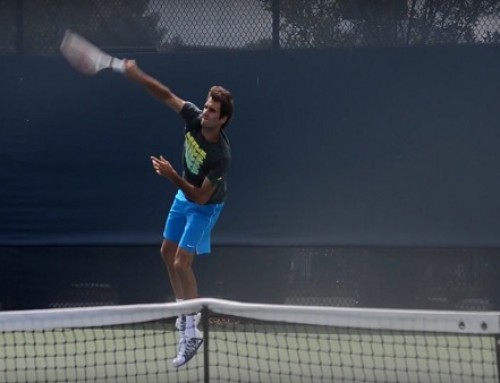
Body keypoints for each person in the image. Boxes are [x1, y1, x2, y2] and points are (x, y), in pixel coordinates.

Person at [123, 59, 233, 368]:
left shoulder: (220, 157)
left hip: (204, 206)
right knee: (165, 252)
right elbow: (166, 94)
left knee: (181, 261)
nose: (205, 111)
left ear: (222, 120)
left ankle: (192, 328)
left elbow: (200, 196)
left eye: (212, 110)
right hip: (184, 195)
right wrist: (139, 76)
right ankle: (184, 315)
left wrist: (172, 175)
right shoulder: (193, 117)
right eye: (206, 106)